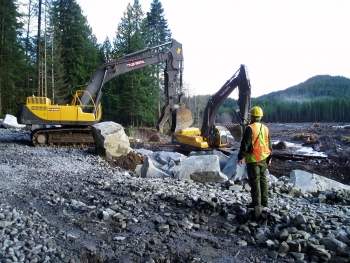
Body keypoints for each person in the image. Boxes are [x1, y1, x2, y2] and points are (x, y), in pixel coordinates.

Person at [237, 106, 272, 219]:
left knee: (255, 181)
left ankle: (256, 205)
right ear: (260, 116)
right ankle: (265, 203)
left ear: (252, 116)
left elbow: (245, 144)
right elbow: (269, 144)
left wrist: (240, 157)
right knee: (263, 179)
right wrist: (270, 157)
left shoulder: (250, 128)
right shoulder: (265, 128)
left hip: (253, 159)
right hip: (264, 158)